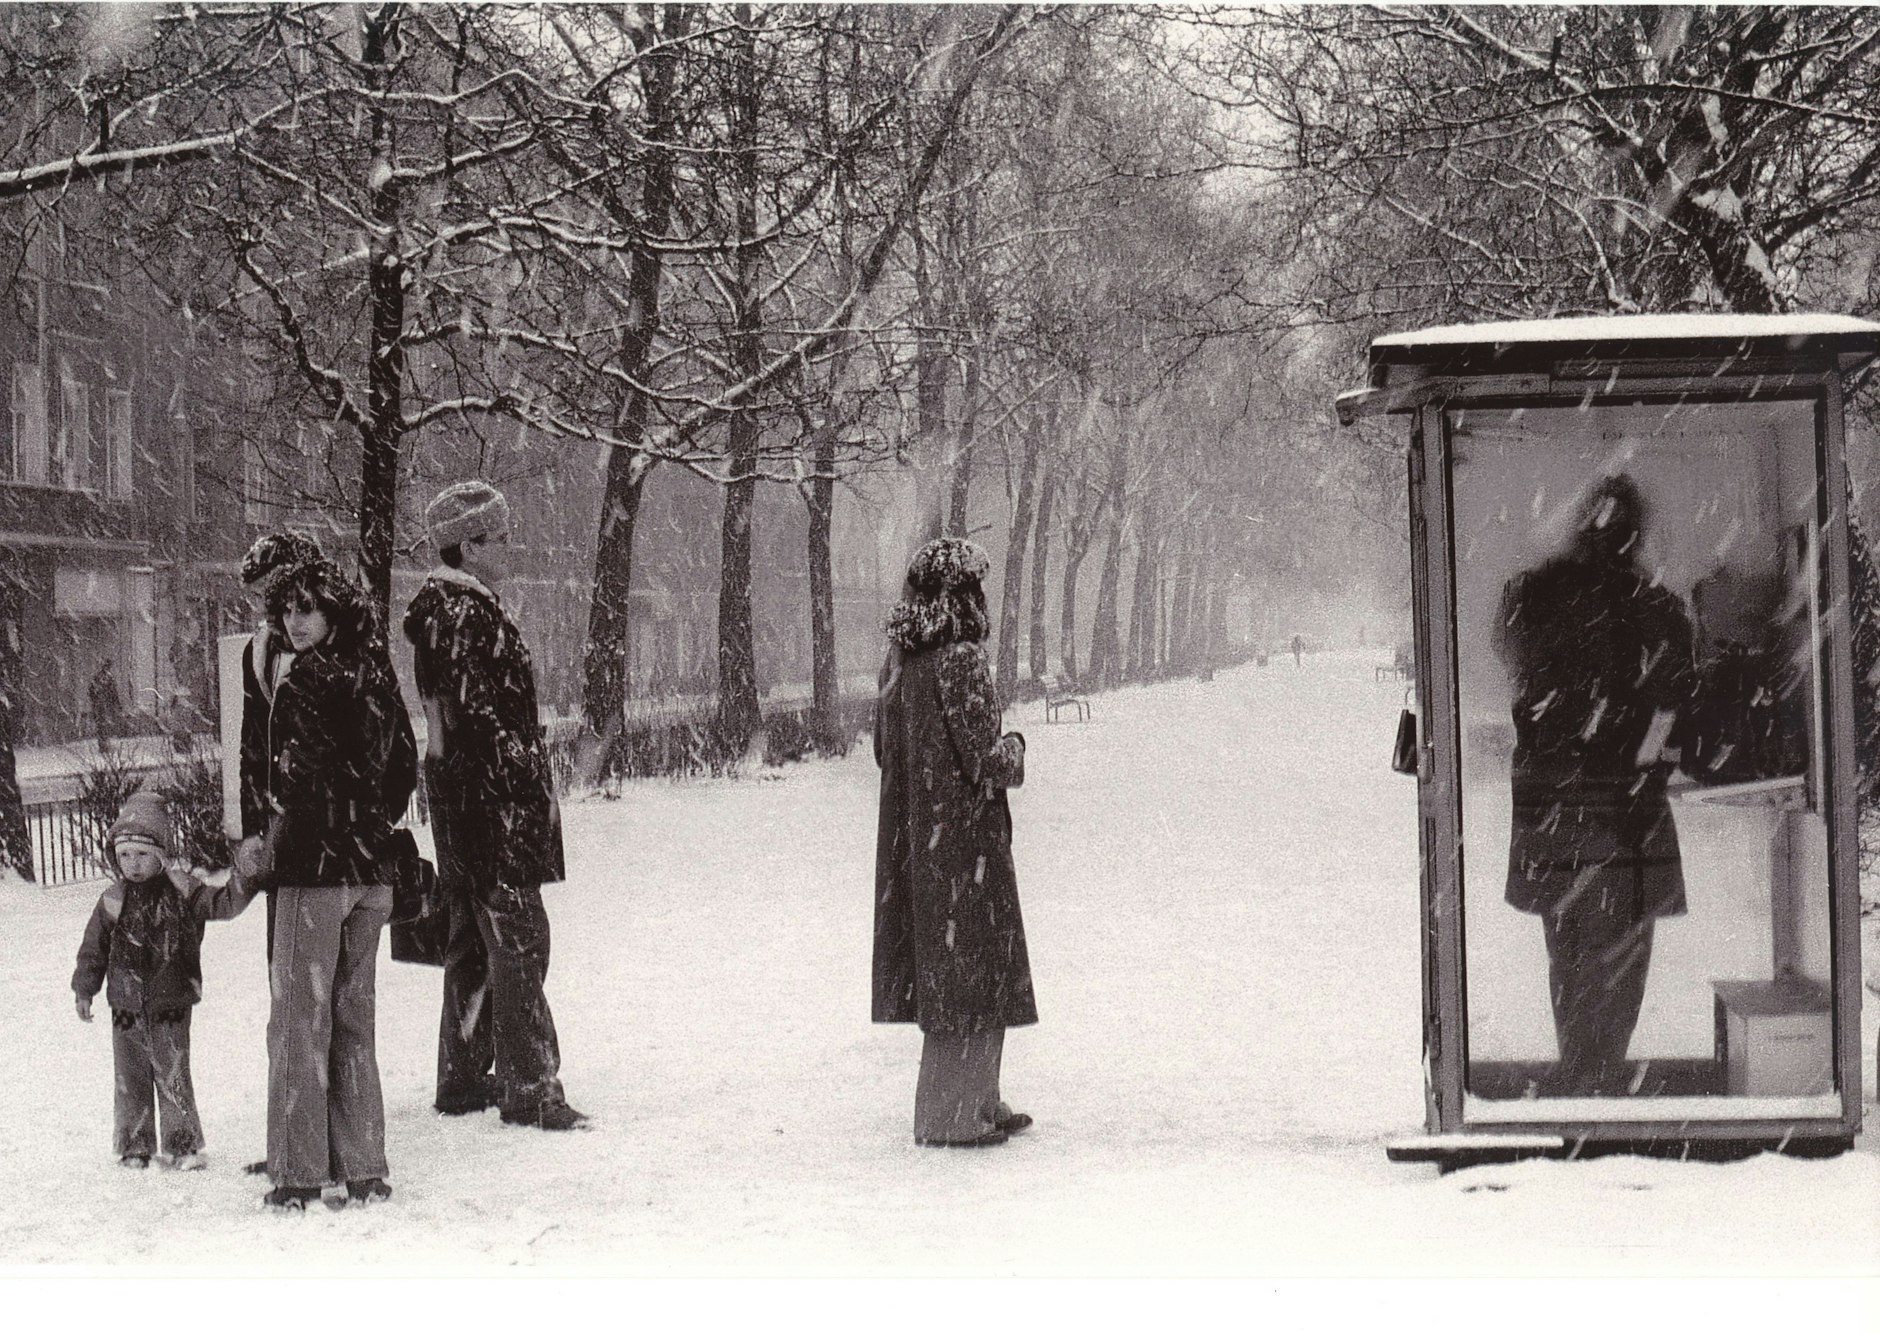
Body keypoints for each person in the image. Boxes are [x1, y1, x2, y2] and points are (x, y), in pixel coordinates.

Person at [1495, 473, 1696, 1097]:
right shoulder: (1655, 606)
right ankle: (1602, 1071)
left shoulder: (1533, 594)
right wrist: (1636, 768)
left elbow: (1516, 669)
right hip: (1624, 810)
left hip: (1556, 803)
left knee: (1570, 950)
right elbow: (1670, 706)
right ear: (1634, 535)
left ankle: (1580, 1069)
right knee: (1623, 957)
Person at [403, 481, 584, 1131]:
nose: (512, 547)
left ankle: (463, 1075)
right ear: (470, 546)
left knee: (475, 946)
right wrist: (513, 804)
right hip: (492, 810)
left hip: (470, 810)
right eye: (502, 538)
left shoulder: (454, 614)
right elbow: (480, 728)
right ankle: (530, 1085)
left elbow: (455, 730)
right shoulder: (465, 618)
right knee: (519, 943)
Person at [259, 559, 416, 1209]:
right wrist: (368, 824)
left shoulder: (304, 684)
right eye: (288, 610)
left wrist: (285, 840)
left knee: (301, 1022)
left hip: (315, 877)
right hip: (371, 875)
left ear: (333, 614)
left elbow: (292, 787)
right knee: (354, 1021)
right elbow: (404, 765)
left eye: (308, 608)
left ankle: (297, 1174)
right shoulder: (376, 676)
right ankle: (365, 1166)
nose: (295, 622)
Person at [873, 536, 1036, 1147]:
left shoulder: (899, 664)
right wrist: (1016, 747)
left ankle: (976, 1101)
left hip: (920, 844)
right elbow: (986, 761)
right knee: (976, 972)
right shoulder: (961, 660)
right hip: (966, 841)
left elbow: (884, 753)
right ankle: (956, 1113)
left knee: (950, 975)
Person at [71, 789, 258, 1169]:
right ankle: (134, 1146)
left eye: (142, 854)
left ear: (160, 855)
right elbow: (94, 948)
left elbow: (222, 905)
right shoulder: (112, 899)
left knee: (173, 1074)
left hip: (172, 1003)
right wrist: (84, 989)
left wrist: (247, 877)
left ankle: (183, 1145)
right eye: (124, 855)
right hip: (125, 1006)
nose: (132, 864)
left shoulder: (182, 890)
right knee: (130, 1078)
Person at [88, 658, 123, 755]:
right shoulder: (108, 677)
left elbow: (91, 691)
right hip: (105, 704)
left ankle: (103, 744)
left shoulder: (97, 677)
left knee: (101, 725)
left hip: (100, 705)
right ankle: (105, 745)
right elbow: (113, 692)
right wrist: (116, 703)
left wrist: (95, 700)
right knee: (104, 724)